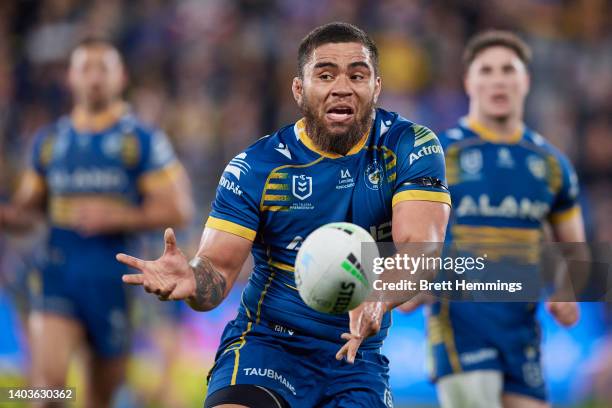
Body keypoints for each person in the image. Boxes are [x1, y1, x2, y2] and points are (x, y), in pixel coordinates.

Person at [118, 22, 451, 408]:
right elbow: (218, 271)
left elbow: (421, 251)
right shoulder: (257, 167)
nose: (341, 86)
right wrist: (193, 280)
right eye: (325, 74)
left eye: (357, 75)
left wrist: (377, 294)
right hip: (267, 345)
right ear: (299, 90)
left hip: (355, 358)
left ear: (376, 87)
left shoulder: (409, 146)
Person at [0, 38, 193, 407]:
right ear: (70, 78)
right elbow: (25, 211)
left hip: (114, 283)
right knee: (48, 389)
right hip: (58, 275)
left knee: (99, 398)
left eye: (102, 69)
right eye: (84, 68)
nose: (93, 78)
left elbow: (179, 208)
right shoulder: (49, 142)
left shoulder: (141, 141)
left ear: (120, 77)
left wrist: (121, 216)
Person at [405, 30, 585, 408]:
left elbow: (575, 250)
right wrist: (406, 283)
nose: (498, 79)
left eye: (508, 69)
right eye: (486, 70)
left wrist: (568, 292)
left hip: (521, 331)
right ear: (469, 81)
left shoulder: (552, 164)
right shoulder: (439, 155)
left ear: (526, 80)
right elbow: (411, 235)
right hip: (460, 321)